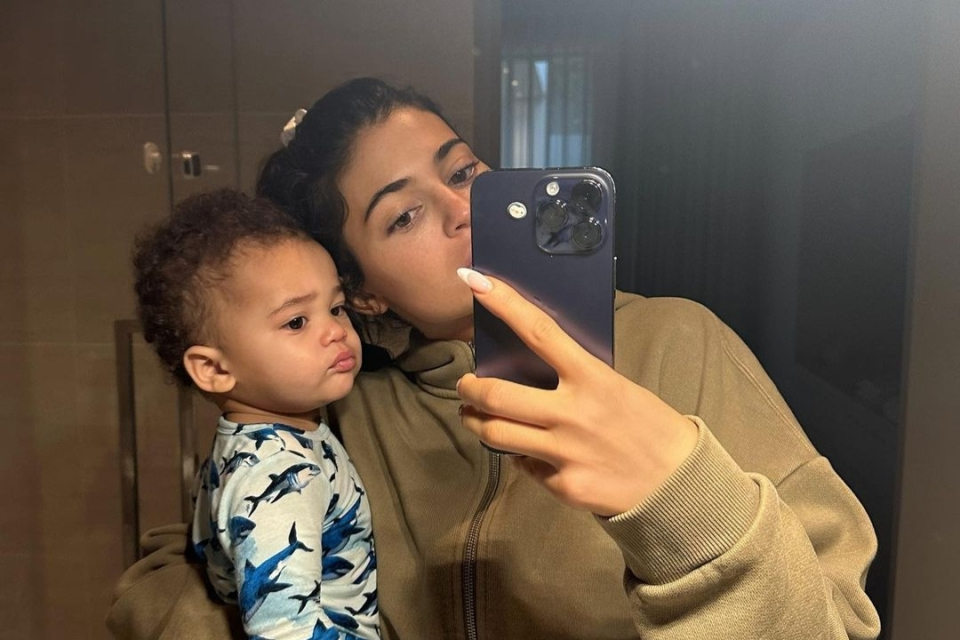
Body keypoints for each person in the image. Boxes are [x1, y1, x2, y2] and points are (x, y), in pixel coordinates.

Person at [108, 78, 881, 640]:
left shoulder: (679, 341)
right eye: (404, 215)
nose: (463, 210)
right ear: (362, 294)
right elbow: (178, 567)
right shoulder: (333, 398)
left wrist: (679, 497)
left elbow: (837, 623)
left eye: (462, 172)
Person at [130, 189, 378, 640]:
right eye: (296, 322)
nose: (336, 331)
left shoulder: (248, 440)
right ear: (214, 369)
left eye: (336, 308)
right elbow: (283, 629)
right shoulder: (279, 472)